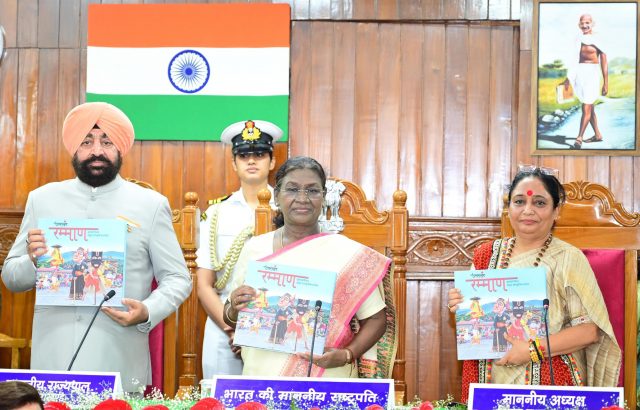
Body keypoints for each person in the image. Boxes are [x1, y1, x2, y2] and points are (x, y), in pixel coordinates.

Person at [1, 102, 192, 392]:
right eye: (87, 141)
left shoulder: (150, 205)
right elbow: (12, 278)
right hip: (53, 359)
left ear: (120, 148)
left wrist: (147, 311)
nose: (97, 151)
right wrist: (34, 261)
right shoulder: (42, 199)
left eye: (107, 141)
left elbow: (178, 278)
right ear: (73, 148)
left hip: (119, 357)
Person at [447, 167, 621, 402]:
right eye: (519, 201)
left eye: (539, 203)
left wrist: (531, 350)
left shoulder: (568, 258)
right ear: (509, 208)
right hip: (488, 379)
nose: (528, 210)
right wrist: (459, 306)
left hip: (549, 383)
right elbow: (474, 322)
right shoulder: (485, 255)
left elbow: (589, 331)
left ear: (556, 211)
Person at [223, 156, 396, 378]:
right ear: (277, 196)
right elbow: (231, 315)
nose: (303, 198)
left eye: (313, 190)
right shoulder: (255, 248)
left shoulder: (345, 253)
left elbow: (376, 319)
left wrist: (347, 354)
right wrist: (234, 307)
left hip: (327, 378)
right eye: (292, 189)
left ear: (323, 197)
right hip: (262, 378)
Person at [196, 119, 280, 378]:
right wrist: (232, 328)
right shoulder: (216, 213)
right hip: (224, 323)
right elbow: (204, 284)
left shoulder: (288, 210)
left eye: (260, 154)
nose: (251, 161)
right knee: (219, 396)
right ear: (234, 163)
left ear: (272, 162)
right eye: (243, 155)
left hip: (278, 322)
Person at [563, 13, 608, 149]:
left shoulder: (599, 39)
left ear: (592, 24)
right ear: (579, 25)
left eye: (587, 22)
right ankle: (598, 135)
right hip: (580, 74)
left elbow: (604, 62)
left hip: (592, 74)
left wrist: (605, 83)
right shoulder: (578, 39)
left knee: (586, 106)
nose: (584, 25)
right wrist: (568, 78)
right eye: (582, 23)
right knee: (589, 106)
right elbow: (574, 59)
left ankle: (579, 138)